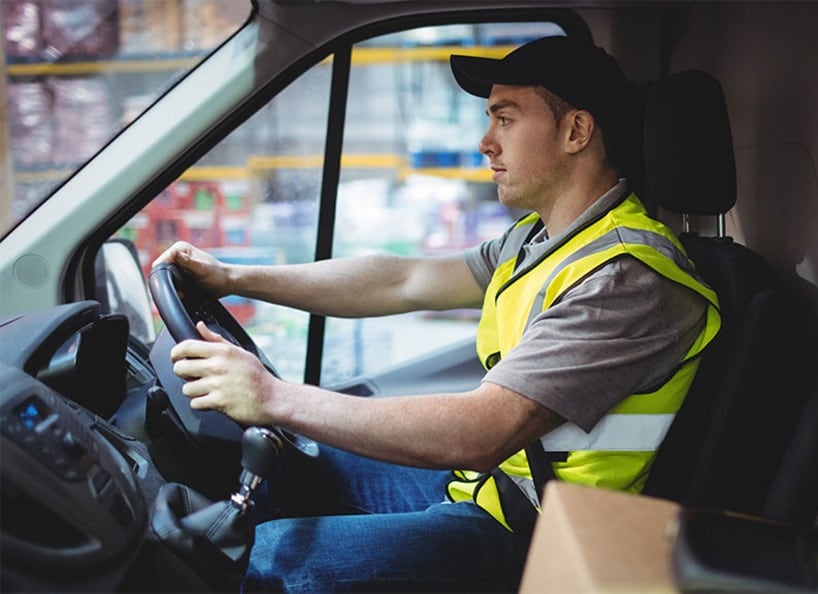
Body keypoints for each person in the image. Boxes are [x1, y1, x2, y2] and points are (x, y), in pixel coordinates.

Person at [155, 35, 721, 592]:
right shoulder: (541, 241)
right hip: (497, 489)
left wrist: (275, 396)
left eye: (505, 119)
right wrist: (234, 278)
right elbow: (403, 280)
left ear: (576, 131)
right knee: (289, 465)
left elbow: (481, 431)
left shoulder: (626, 276)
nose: (485, 142)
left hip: (546, 536)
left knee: (275, 559)